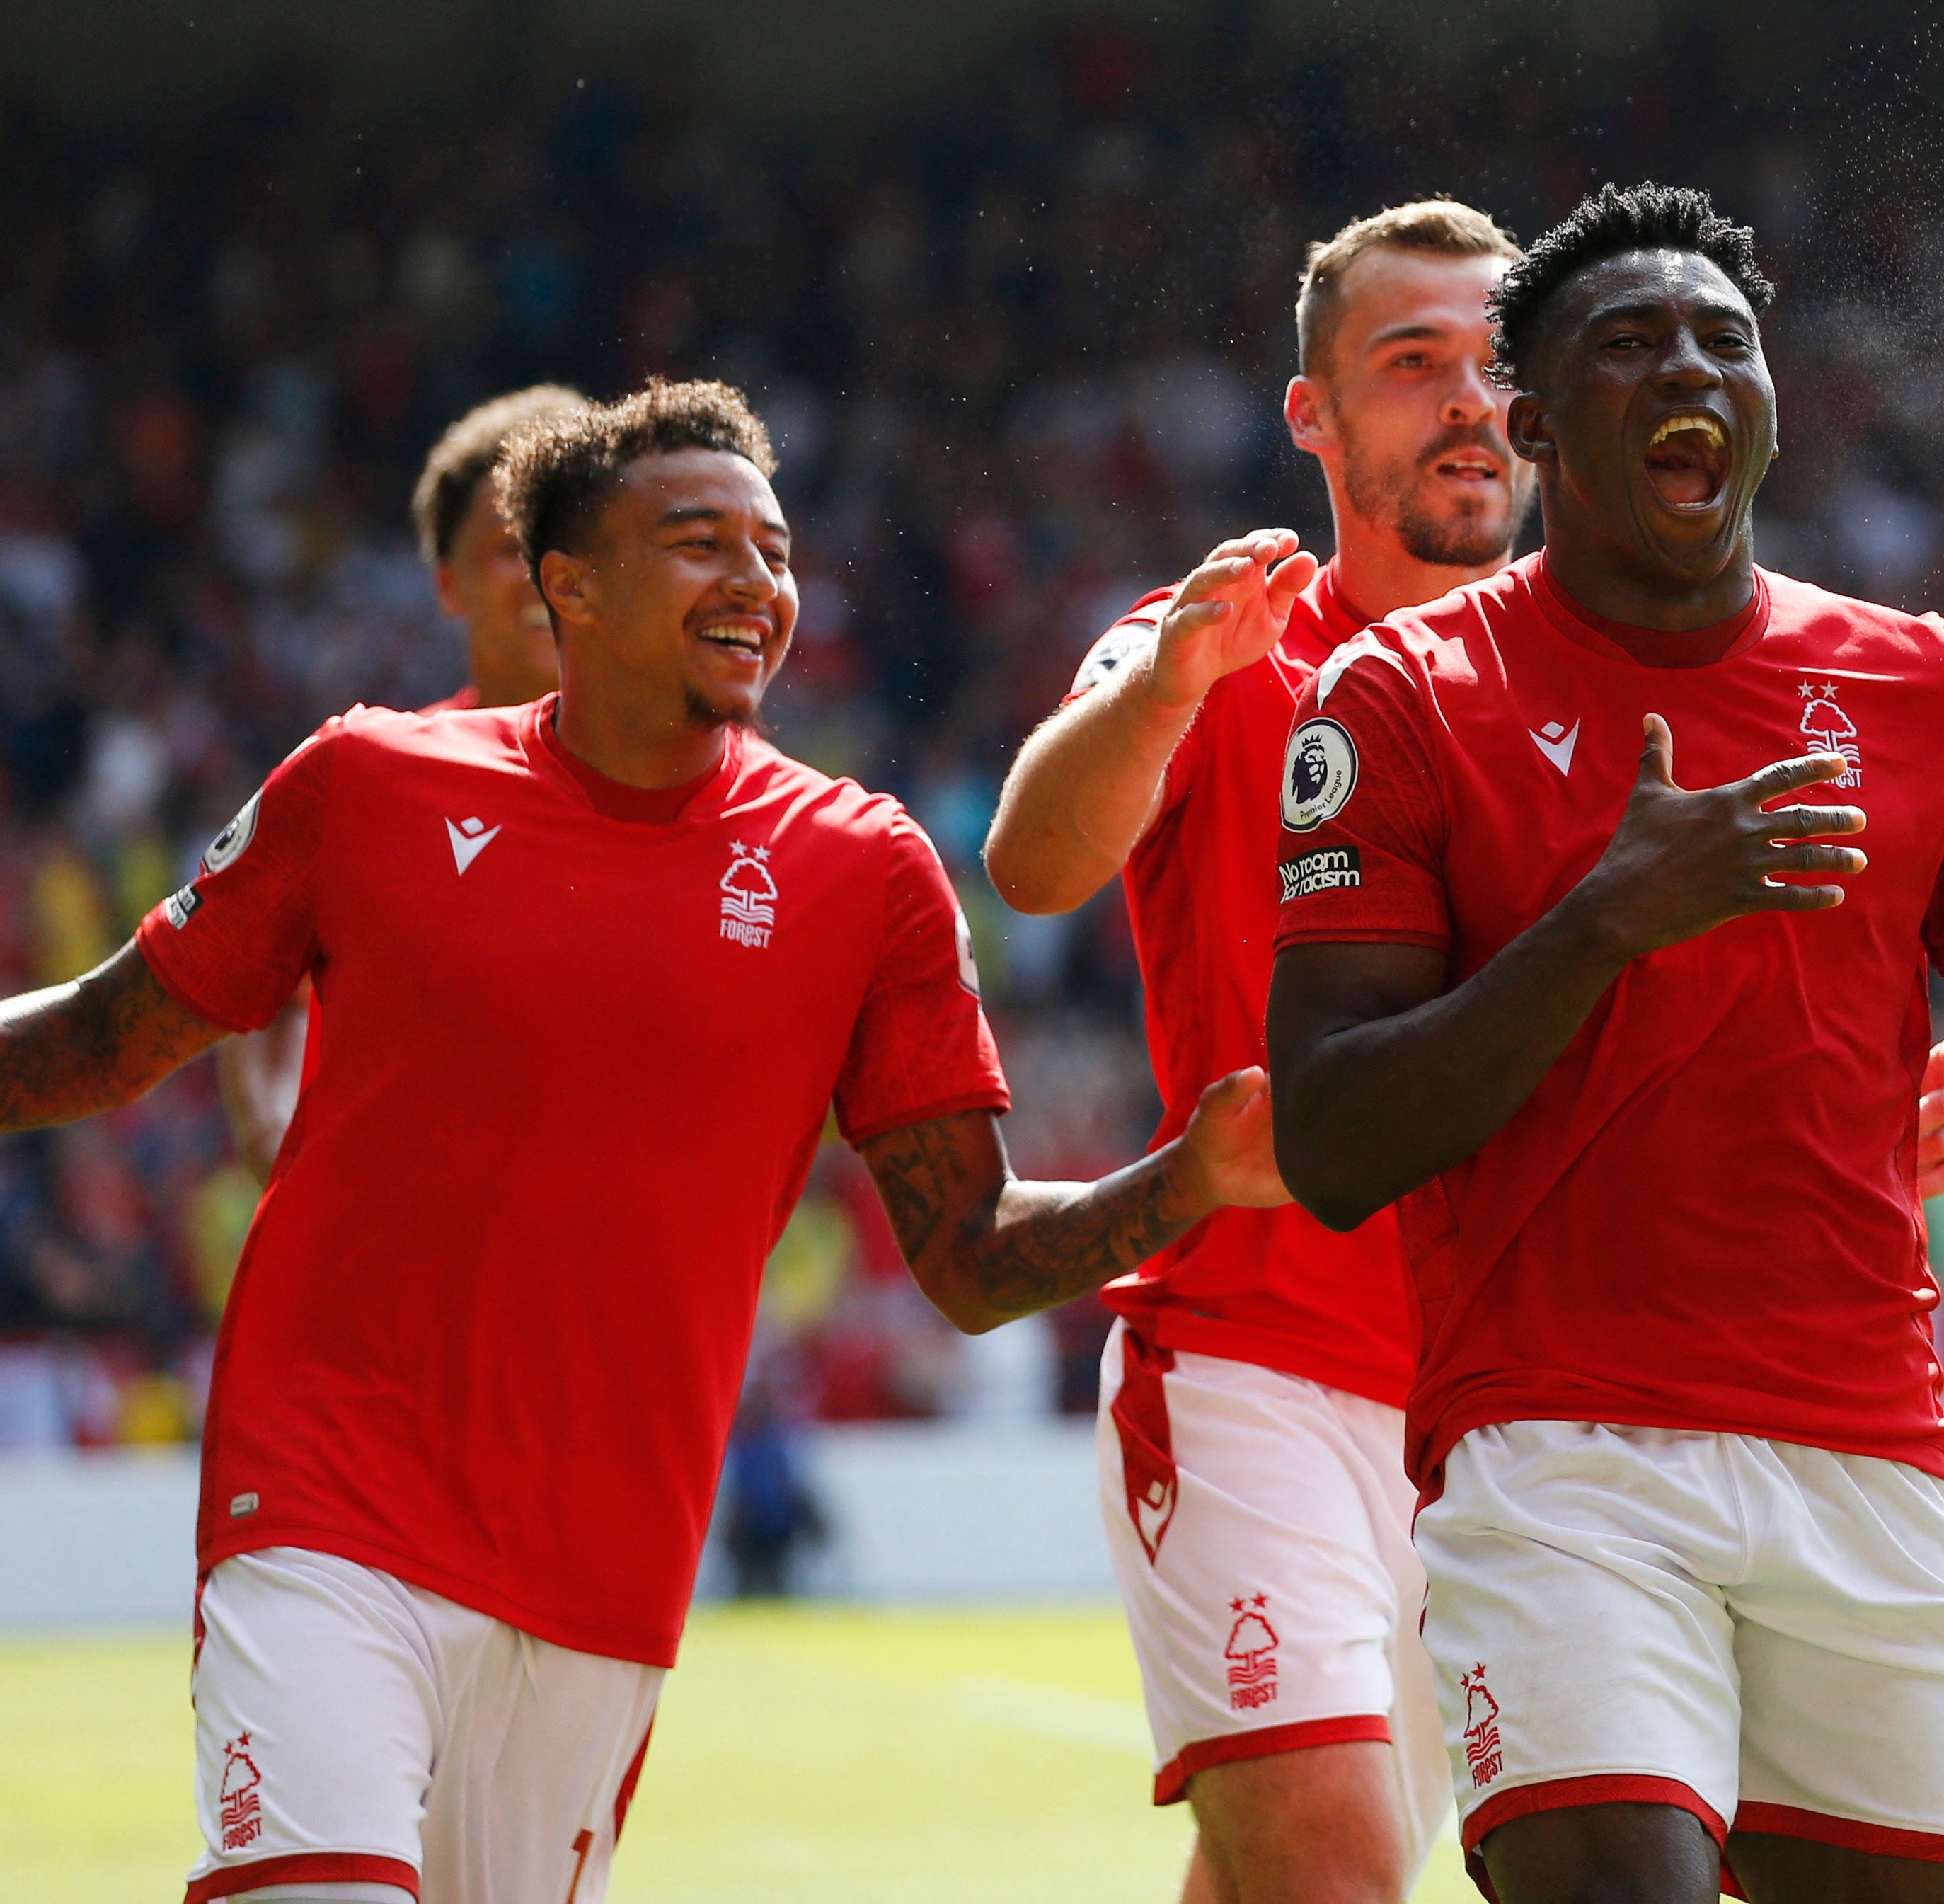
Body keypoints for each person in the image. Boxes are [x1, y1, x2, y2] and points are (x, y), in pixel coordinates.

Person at [0, 379, 1284, 1904]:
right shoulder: (367, 786)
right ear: (570, 586)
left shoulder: (864, 870)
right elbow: (102, 1035)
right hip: (328, 1496)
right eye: (698, 541)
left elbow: (969, 1255)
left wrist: (1188, 1176)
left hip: (605, 1574)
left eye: (775, 547)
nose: (756, 580)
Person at [982, 199, 1944, 1904]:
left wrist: (1860, 1132)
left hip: (1542, 1402)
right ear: (1311, 413)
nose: (1461, 401)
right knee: (1323, 1856)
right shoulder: (1217, 634)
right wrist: (1161, 691)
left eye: (1485, 363)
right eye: (1406, 363)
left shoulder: (1611, 660)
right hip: (1254, 1364)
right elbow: (1032, 865)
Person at [1265, 183, 1944, 1904]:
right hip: (1559, 1452)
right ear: (1535, 423)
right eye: (1625, 346)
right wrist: (1601, 920)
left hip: (1866, 1454)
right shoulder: (1399, 697)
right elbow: (1332, 1137)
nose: (1685, 368)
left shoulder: (1928, 690)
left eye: (1722, 339)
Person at [215, 384, 590, 1181]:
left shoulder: (700, 802)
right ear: (446, 583)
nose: (540, 572)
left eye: (566, 538)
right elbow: (253, 997)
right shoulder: (369, 779)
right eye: (504, 544)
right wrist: (278, 1148)